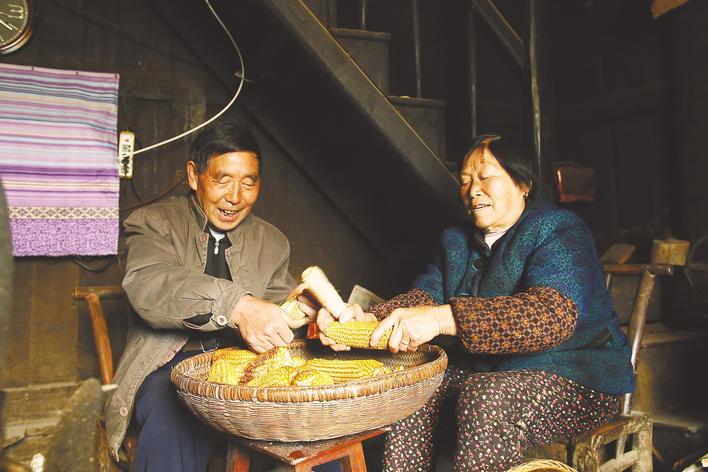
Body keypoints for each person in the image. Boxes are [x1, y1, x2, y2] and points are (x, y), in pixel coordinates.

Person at [317, 135, 635, 471]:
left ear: (523, 184)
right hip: (486, 372)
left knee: (486, 397)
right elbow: (425, 295)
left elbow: (550, 315)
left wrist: (441, 319)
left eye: (485, 177)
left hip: (578, 376)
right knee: (413, 390)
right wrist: (371, 320)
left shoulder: (558, 229)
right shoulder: (456, 240)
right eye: (465, 180)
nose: (473, 190)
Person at [104, 121, 320, 471]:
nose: (235, 197)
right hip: (167, 368)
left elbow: (279, 306)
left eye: (248, 183)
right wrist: (237, 306)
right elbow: (150, 284)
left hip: (243, 366)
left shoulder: (271, 240)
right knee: (173, 411)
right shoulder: (154, 222)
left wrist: (303, 311)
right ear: (194, 175)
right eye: (222, 180)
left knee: (313, 421)